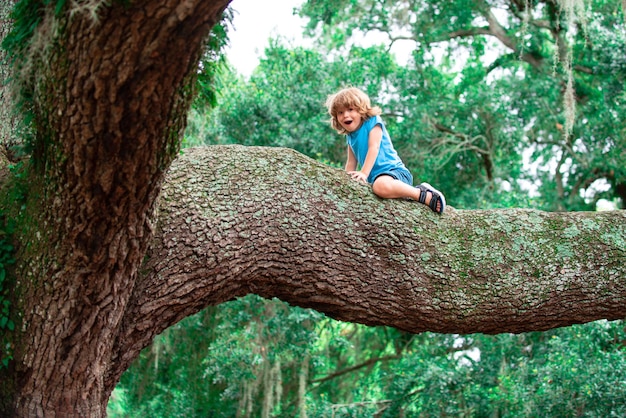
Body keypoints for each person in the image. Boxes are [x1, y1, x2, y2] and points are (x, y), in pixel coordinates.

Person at [325, 87, 446, 213]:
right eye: (340, 112)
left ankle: (423, 194)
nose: (345, 115)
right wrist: (345, 182)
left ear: (361, 110)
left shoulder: (372, 121)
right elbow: (351, 163)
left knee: (379, 187)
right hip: (379, 180)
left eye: (350, 109)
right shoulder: (350, 136)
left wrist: (364, 173)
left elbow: (374, 147)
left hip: (395, 172)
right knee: (378, 187)